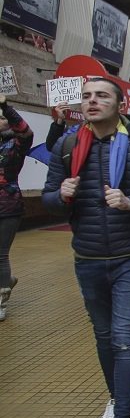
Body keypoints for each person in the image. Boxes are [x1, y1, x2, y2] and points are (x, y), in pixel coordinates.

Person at [42, 78, 130, 418]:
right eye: (87, 97)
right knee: (102, 334)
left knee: (125, 338)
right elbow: (50, 198)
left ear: (119, 104)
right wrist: (59, 195)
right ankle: (115, 397)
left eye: (101, 96)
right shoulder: (67, 146)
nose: (92, 102)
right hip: (88, 257)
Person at [0, 95, 34, 320]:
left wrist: (5, 105)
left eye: (2, 117)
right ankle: (7, 281)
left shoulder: (17, 142)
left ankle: (1, 300)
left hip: (8, 206)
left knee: (0, 255)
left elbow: (25, 130)